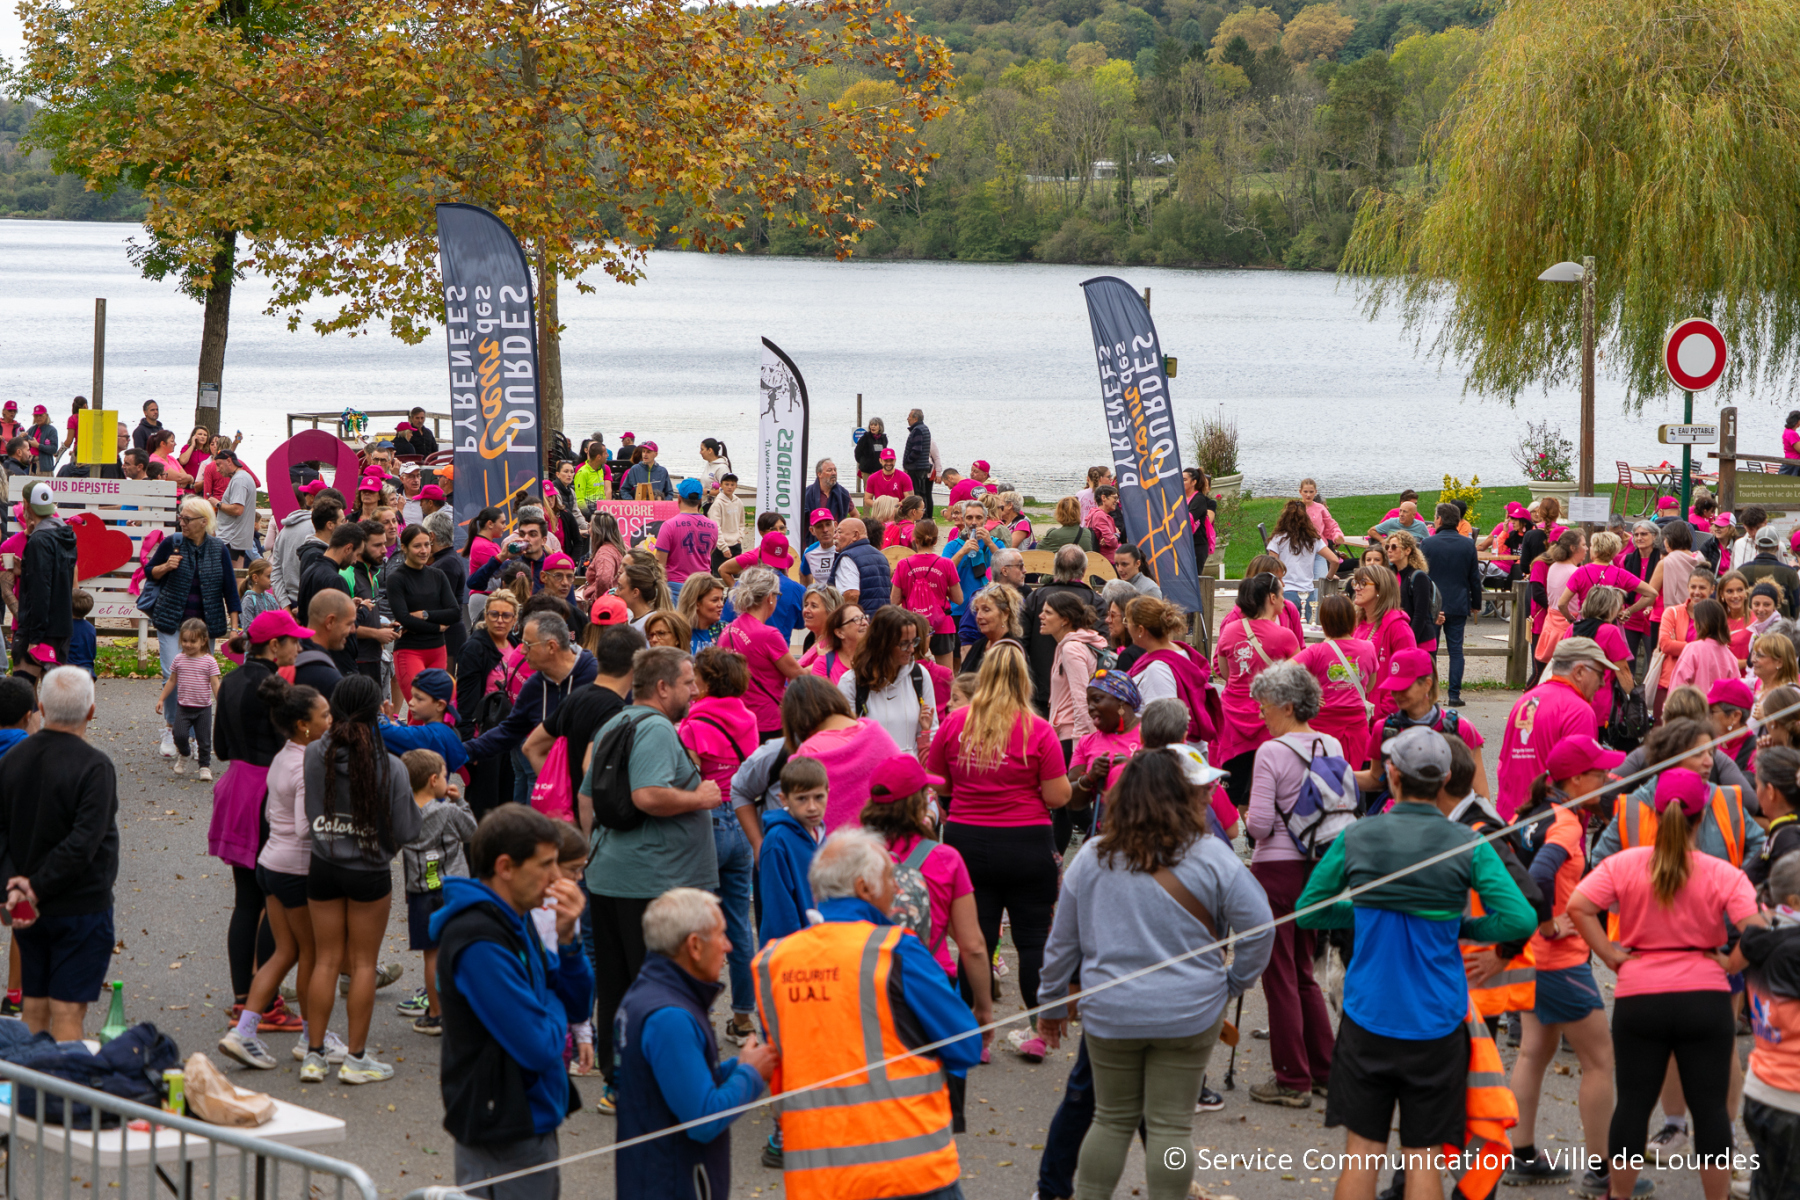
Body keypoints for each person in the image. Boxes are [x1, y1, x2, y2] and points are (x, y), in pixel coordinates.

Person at [1298, 727, 1537, 1200]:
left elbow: (1310, 909)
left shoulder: (1358, 835)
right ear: (1447, 777)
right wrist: (1463, 928)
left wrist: (1363, 913)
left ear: (1391, 774)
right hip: (1438, 1022)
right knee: (1424, 1154)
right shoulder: (1466, 842)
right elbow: (1519, 917)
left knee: (1361, 1152)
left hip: (1367, 1017)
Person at [1038, 749, 1273, 1200]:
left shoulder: (1092, 857)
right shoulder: (1213, 857)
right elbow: (1261, 928)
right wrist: (1231, 984)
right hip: (1190, 1011)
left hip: (1110, 1012)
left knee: (1110, 1119)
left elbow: (1061, 943)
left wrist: (1052, 1002)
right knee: (1170, 1125)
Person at [1568, 768, 1764, 1200]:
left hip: (1640, 996)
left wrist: (1610, 953)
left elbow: (1578, 904)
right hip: (1705, 996)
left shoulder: (1625, 863)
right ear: (1703, 817)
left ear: (1655, 815)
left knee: (1634, 1104)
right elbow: (1758, 931)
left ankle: (1617, 1196)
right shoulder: (1722, 872)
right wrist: (1730, 961)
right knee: (1711, 1110)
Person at [752, 827, 981, 1187]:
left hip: (816, 1174)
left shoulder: (771, 961)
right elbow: (966, 1045)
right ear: (864, 887)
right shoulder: (894, 950)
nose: (897, 889)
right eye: (890, 877)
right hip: (906, 1167)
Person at [583, 646, 721, 1115]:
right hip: (654, 882)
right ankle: (654, 1083)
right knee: (660, 989)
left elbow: (587, 797)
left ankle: (618, 1081)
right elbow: (646, 795)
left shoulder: (614, 723)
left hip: (610, 875)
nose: (694, 690)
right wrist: (699, 798)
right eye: (687, 682)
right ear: (663, 687)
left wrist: (594, 851)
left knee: (618, 983)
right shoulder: (659, 728)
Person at [432, 805, 591, 1200]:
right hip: (502, 1127)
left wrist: (569, 941)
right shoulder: (480, 940)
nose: (559, 878)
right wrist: (552, 1001)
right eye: (547, 865)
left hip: (531, 1117)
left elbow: (577, 1006)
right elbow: (539, 1046)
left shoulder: (516, 918)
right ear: (505, 867)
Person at [926, 642, 1069, 1060]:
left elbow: (939, 782)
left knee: (977, 941)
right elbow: (1058, 796)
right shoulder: (1037, 729)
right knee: (1031, 940)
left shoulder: (955, 724)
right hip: (1027, 843)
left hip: (968, 842)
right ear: (1025, 681)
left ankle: (974, 1034)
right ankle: (1039, 1032)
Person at [1500, 734, 1631, 1190]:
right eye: (1598, 774)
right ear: (1576, 780)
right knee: (1600, 1059)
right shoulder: (1566, 824)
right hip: (1558, 960)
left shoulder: (1525, 813)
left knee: (1534, 1051)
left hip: (1529, 958)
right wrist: (1549, 922)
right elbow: (1535, 877)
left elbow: (1507, 871)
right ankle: (1602, 1171)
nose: (1607, 780)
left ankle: (1521, 1154)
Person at [614, 887, 773, 1200]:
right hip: (671, 1183)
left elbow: (675, 1081)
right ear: (695, 946)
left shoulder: (649, 993)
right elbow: (703, 1118)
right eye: (722, 935)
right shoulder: (669, 1017)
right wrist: (750, 1076)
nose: (728, 946)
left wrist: (738, 1066)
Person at [300, 674, 420, 1084]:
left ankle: (313, 1055)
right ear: (378, 711)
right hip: (369, 869)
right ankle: (356, 1059)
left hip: (324, 863)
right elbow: (406, 829)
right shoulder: (392, 766)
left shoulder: (315, 753)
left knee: (326, 959)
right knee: (364, 963)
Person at [218, 676, 340, 1068]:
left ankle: (245, 1030)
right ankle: (311, 1036)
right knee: (311, 954)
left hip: (271, 863)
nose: (331, 719)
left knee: (284, 952)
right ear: (305, 725)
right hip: (296, 869)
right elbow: (308, 827)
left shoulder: (284, 754)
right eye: (325, 714)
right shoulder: (308, 763)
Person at [1244, 661, 1345, 1108]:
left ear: (1286, 705)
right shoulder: (1331, 742)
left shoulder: (1271, 752)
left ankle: (1291, 1079)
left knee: (1279, 974)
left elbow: (1261, 826)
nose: (1260, 713)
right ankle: (1324, 1070)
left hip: (1277, 870)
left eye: (1264, 705)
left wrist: (1247, 815)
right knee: (1304, 970)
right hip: (1320, 867)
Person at [0, 669, 118, 1042]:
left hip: (26, 906)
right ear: (91, 711)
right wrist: (35, 887)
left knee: (34, 1006)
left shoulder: (13, 760)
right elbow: (84, 842)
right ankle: (60, 1093)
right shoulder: (95, 767)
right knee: (67, 1009)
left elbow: (2, 831)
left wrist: (14, 888)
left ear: (41, 708)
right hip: (80, 904)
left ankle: (27, 1096)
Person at [676, 646, 761, 1047]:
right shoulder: (747, 715)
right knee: (739, 925)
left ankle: (699, 1012)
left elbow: (690, 776)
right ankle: (744, 1017)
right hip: (741, 821)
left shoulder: (694, 719)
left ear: (707, 680)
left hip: (706, 822)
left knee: (699, 924)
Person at [466, 612, 598, 806]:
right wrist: (466, 750)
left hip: (590, 791)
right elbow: (510, 730)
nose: (522, 651)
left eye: (528, 644)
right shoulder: (535, 684)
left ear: (551, 646)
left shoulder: (594, 676)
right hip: (553, 793)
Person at [392, 749, 475, 1037]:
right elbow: (472, 831)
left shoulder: (401, 813)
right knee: (458, 951)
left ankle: (435, 1013)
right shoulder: (448, 811)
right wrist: (460, 801)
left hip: (421, 891)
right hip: (453, 889)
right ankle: (459, 1009)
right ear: (432, 780)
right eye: (443, 775)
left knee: (431, 954)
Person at [147, 494, 240, 739]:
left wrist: (234, 627)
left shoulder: (218, 548)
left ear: (203, 521)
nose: (182, 523)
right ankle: (170, 727)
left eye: (187, 519)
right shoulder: (172, 542)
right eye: (181, 518)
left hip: (203, 626)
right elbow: (149, 572)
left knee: (199, 676)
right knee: (171, 672)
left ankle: (193, 729)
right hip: (171, 619)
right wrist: (166, 566)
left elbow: (230, 589)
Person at [1495, 636, 1613, 819]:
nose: (1603, 683)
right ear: (1580, 672)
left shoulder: (1524, 701)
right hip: (1553, 826)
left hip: (1511, 820)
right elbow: (1582, 784)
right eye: (1600, 674)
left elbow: (1503, 765)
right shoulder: (1579, 711)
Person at [1212, 572, 1301, 806]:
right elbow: (1297, 678)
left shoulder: (1230, 631)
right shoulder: (1285, 636)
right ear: (1272, 598)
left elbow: (1224, 672)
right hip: (1269, 718)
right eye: (1281, 593)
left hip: (1234, 718)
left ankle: (1228, 833)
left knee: (1233, 786)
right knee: (1267, 786)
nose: (1284, 599)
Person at [840, 605, 939, 756]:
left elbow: (930, 731)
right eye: (904, 643)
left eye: (914, 641)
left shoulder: (919, 675)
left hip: (911, 775)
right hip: (872, 777)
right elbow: (845, 740)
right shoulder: (851, 682)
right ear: (883, 644)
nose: (912, 649)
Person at [1293, 593, 1378, 769]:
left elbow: (1281, 672)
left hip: (1322, 727)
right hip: (1356, 728)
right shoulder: (1368, 648)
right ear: (1352, 621)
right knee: (1354, 783)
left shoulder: (1316, 651)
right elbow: (1369, 685)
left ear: (1323, 623)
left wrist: (1306, 694)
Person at [719, 567, 803, 740]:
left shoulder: (728, 630)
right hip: (768, 721)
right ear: (769, 598)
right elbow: (798, 675)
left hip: (738, 718)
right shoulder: (768, 635)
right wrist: (822, 656)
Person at [1417, 501, 1483, 706]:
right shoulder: (1467, 544)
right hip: (1458, 601)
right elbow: (1474, 577)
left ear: (1439, 519)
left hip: (1433, 604)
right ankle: (1454, 694)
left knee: (1431, 649)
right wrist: (1476, 603)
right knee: (1456, 650)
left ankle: (1431, 693)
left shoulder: (1427, 544)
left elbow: (1423, 576)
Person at [758, 755, 827, 944]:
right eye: (802, 799)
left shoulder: (822, 836)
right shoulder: (777, 842)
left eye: (818, 797)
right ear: (784, 799)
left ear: (828, 792)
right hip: (792, 951)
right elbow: (779, 910)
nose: (812, 807)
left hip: (821, 944)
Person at [155, 616, 221, 780]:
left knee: (204, 740)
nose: (187, 645)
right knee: (179, 735)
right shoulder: (179, 660)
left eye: (192, 641)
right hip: (183, 707)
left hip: (203, 708)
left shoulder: (209, 662)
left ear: (203, 641)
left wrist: (222, 702)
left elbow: (215, 684)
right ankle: (184, 754)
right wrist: (161, 699)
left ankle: (204, 767)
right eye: (184, 641)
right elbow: (171, 680)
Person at [1267, 498, 1337, 621]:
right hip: (1307, 592)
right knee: (1304, 633)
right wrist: (1329, 576)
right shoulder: (1313, 539)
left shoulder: (1278, 538)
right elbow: (1335, 560)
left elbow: (1271, 565)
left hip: (1285, 591)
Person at [1671, 598, 1740, 698]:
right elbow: (1735, 691)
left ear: (1699, 623)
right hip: (1719, 711)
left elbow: (1678, 686)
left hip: (1693, 710)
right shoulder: (1730, 656)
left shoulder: (1692, 649)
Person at [902, 408, 939, 507]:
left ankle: (919, 515)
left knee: (917, 494)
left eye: (909, 416)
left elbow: (916, 450)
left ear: (915, 418)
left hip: (916, 467)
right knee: (923, 494)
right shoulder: (924, 428)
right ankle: (924, 515)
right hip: (923, 467)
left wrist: (908, 461)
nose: (907, 419)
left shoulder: (917, 430)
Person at [802, 458, 854, 523]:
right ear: (819, 474)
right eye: (829, 470)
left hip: (836, 532)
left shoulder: (843, 493)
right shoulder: (807, 494)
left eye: (835, 470)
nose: (834, 473)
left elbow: (855, 515)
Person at [1084, 485, 1122, 555]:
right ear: (1103, 498)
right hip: (1106, 560)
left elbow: (1109, 539)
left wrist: (1114, 536)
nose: (1117, 501)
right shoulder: (1100, 516)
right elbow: (1112, 542)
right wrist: (1116, 535)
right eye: (1115, 498)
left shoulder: (1097, 514)